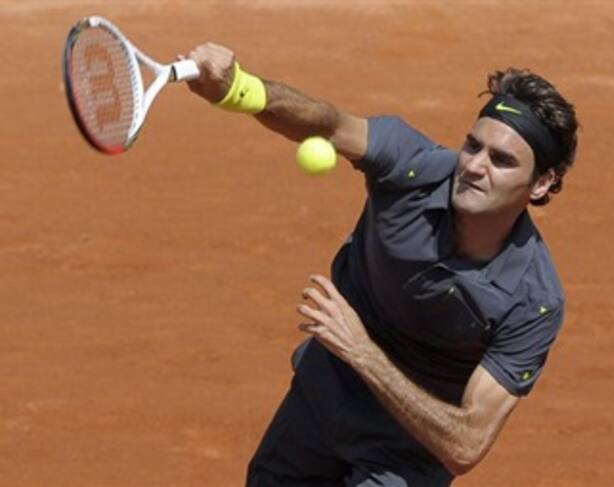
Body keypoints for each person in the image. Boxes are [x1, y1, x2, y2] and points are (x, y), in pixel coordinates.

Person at [183, 43, 579, 486]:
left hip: (406, 452)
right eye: (473, 146)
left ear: (541, 183)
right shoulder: (412, 168)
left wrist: (361, 350)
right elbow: (328, 123)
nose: (473, 166)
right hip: (323, 398)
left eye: (501, 160)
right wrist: (238, 88)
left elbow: (465, 444)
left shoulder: (533, 302)